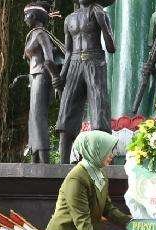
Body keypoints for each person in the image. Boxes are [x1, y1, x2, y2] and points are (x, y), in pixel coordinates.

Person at [56, 0, 116, 164]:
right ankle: (62, 164)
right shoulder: (69, 19)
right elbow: (68, 52)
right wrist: (61, 76)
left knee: (99, 110)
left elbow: (111, 48)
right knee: (66, 112)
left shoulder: (98, 13)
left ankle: (101, 161)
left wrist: (103, 22)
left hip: (94, 61)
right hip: (74, 64)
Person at [23, 1, 62, 163]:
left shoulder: (41, 34)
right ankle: (34, 157)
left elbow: (49, 59)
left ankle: (44, 160)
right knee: (33, 117)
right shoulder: (33, 34)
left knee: (39, 117)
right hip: (34, 77)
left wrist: (55, 78)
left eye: (27, 15)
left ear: (35, 16)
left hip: (42, 76)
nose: (25, 18)